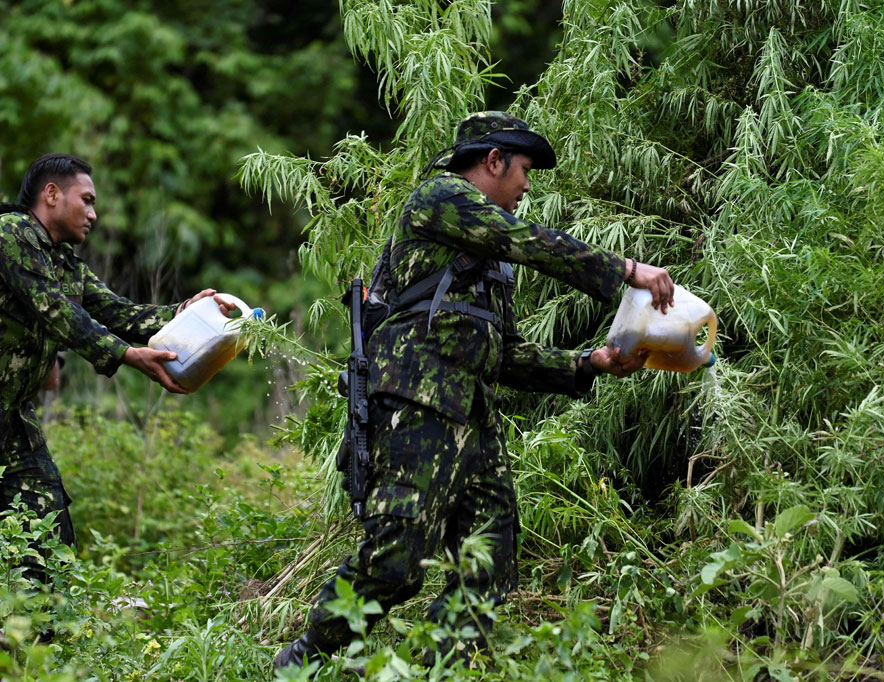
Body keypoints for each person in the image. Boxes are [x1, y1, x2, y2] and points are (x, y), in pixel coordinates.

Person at [274, 112, 675, 670]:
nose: (527, 188)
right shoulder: (440, 197)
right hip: (414, 407)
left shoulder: (487, 260)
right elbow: (528, 241)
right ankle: (303, 660)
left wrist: (590, 364)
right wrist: (624, 269)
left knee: (490, 568)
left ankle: (435, 665)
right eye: (525, 171)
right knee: (394, 563)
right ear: (493, 161)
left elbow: (505, 354)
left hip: (473, 422)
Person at [0, 153, 235, 573]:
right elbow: (55, 311)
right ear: (51, 194)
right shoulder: (9, 233)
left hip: (13, 421)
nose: (93, 213)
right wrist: (126, 356)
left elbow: (121, 314)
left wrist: (188, 311)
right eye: (86, 200)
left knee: (46, 530)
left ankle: (41, 633)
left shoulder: (65, 263)